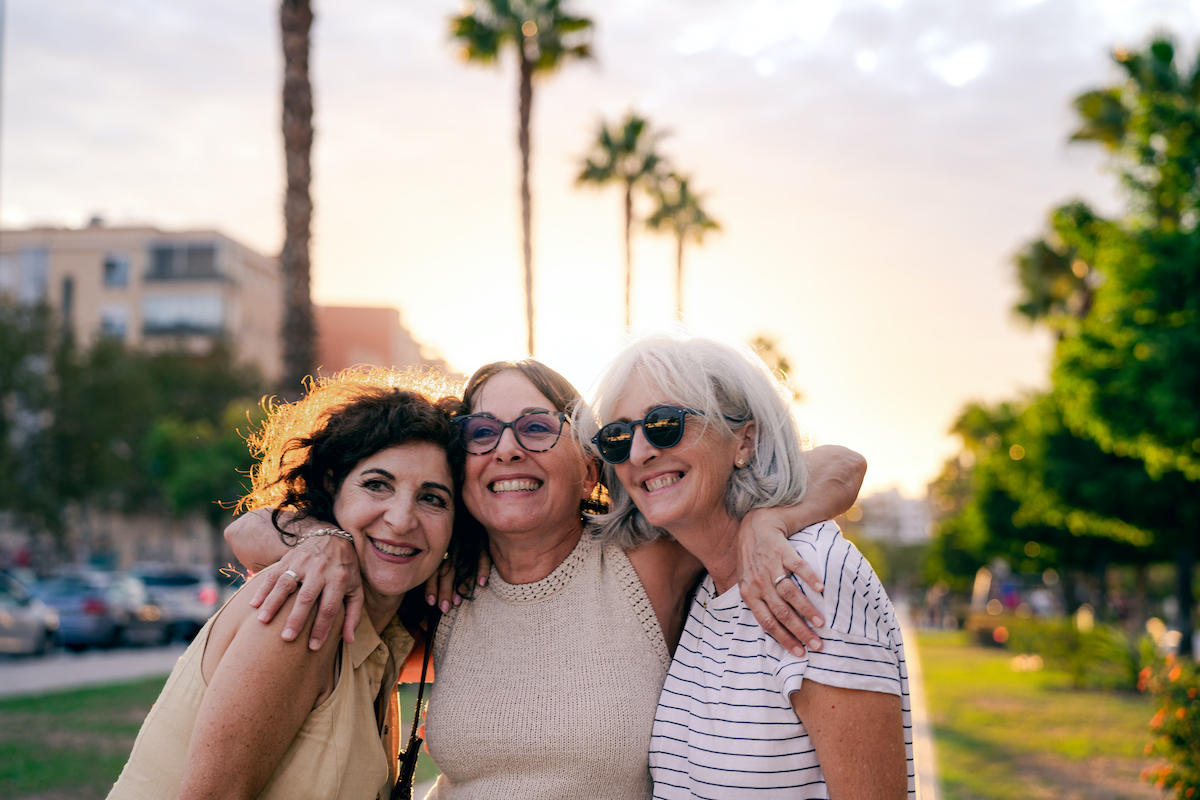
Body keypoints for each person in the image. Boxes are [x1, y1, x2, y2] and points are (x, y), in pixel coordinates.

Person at [227, 359, 866, 800]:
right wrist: (328, 542)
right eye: (480, 433)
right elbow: (247, 531)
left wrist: (766, 521)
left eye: (536, 427)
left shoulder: (649, 559)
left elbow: (842, 463)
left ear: (591, 462)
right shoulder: (440, 580)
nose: (507, 449)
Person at [108, 370, 480, 800]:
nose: (401, 519)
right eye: (377, 485)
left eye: (433, 498)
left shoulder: (386, 638)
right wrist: (323, 537)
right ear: (331, 487)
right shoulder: (303, 606)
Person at [585, 334, 913, 799]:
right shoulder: (703, 590)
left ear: (745, 438)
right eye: (617, 437)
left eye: (665, 424)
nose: (639, 453)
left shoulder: (808, 575)